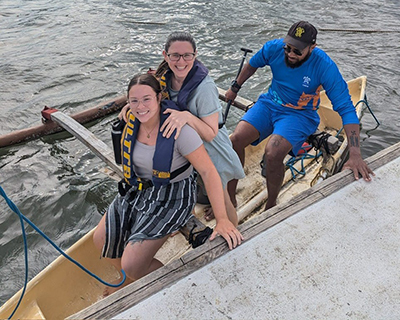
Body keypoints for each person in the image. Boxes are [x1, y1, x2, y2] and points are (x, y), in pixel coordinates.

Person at [94, 73, 243, 296]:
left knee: (132, 263)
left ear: (159, 97)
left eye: (146, 99)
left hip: (173, 194)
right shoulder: (131, 121)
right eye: (134, 101)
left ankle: (169, 288)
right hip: (139, 190)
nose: (140, 106)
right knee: (101, 239)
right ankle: (132, 280)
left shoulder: (179, 131)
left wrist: (222, 219)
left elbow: (208, 171)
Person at [225, 21, 374, 211]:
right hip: (270, 103)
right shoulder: (274, 48)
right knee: (235, 139)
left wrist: (355, 154)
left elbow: (346, 109)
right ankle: (229, 199)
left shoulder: (324, 66)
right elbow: (252, 64)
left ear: (312, 47)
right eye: (288, 48)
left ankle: (271, 204)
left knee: (273, 152)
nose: (290, 54)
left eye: (297, 51)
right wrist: (234, 88)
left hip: (299, 114)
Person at [121, 32, 245, 225]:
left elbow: (211, 134)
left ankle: (231, 230)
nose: (181, 61)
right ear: (165, 56)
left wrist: (187, 117)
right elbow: (151, 96)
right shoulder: (166, 78)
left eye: (187, 55)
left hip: (210, 147)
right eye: (175, 55)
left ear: (195, 55)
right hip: (183, 147)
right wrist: (134, 105)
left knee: (222, 196)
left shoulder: (204, 88)